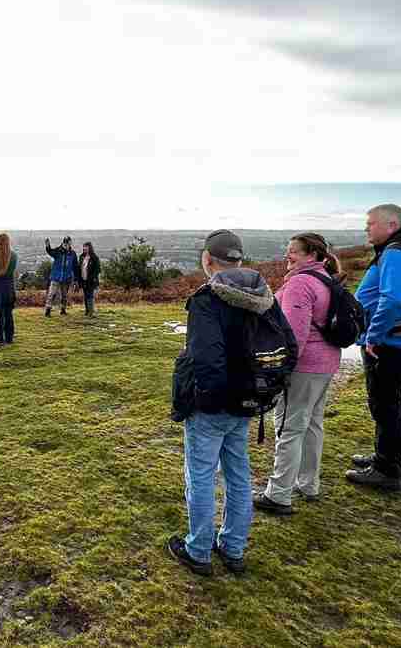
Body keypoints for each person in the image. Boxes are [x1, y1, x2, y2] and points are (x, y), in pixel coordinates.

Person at [166, 229, 265, 577]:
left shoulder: (208, 299)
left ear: (208, 260)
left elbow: (205, 358)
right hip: (248, 398)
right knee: (239, 474)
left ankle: (198, 550)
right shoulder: (261, 294)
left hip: (213, 404)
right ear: (239, 260)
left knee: (202, 475)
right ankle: (233, 547)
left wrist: (201, 401)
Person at [256, 233, 344, 515]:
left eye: (293, 251)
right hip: (326, 363)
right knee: (312, 424)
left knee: (289, 428)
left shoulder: (300, 283)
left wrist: (280, 369)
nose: (287, 256)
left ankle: (279, 494)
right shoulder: (325, 279)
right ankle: (308, 483)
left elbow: (294, 335)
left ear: (313, 255)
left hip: (304, 367)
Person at [348, 204, 401, 491]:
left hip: (390, 341)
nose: (366, 228)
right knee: (387, 400)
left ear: (392, 224)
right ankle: (384, 456)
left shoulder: (396, 252)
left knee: (384, 402)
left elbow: (393, 299)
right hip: (397, 339)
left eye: (371, 224)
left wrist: (374, 335)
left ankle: (387, 470)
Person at [44, 236, 77, 317]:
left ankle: (63, 309)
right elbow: (50, 252)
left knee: (64, 295)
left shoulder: (72, 254)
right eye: (65, 243)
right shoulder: (58, 251)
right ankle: (48, 310)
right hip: (55, 277)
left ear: (70, 244)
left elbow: (75, 266)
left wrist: (75, 279)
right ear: (63, 243)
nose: (66, 245)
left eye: (68, 244)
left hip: (66, 278)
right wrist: (48, 246)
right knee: (51, 294)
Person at [74, 241, 101, 316]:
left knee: (90, 295)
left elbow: (98, 269)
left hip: (91, 280)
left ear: (90, 248)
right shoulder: (81, 257)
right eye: (84, 247)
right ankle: (87, 311)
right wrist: (78, 279)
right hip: (83, 279)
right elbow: (79, 268)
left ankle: (91, 312)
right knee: (85, 296)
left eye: (86, 247)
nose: (84, 248)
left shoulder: (94, 258)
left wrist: (93, 278)